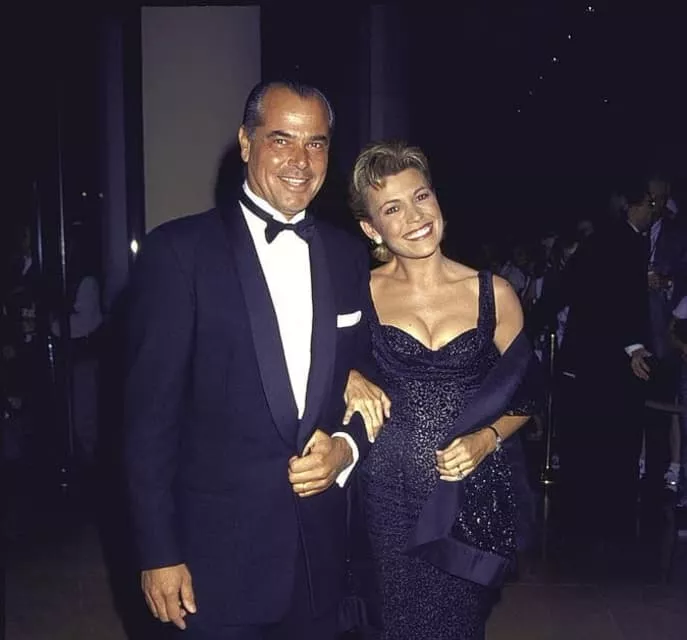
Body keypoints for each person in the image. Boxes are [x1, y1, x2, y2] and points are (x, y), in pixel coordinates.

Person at [123, 80, 389, 640]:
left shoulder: (347, 255)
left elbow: (370, 374)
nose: (300, 161)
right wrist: (157, 552)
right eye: (281, 139)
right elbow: (148, 422)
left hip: (318, 562)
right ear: (246, 143)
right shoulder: (178, 253)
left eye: (316, 143)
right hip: (213, 563)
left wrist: (344, 448)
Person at [348, 141, 537, 640]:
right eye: (392, 208)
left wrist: (486, 440)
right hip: (384, 492)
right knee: (394, 624)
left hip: (468, 495)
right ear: (372, 229)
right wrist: (349, 378)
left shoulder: (495, 294)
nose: (415, 217)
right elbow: (318, 365)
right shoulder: (357, 292)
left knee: (459, 624)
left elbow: (526, 395)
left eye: (421, 196)